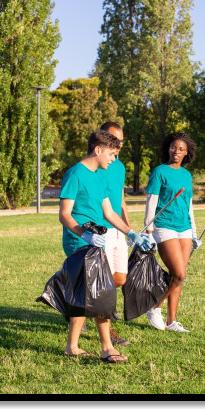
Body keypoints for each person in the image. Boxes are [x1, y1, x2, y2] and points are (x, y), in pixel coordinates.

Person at [59, 130, 152, 363]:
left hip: (97, 238)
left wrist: (131, 232)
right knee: (102, 290)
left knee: (86, 292)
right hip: (80, 241)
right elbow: (64, 215)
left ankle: (72, 346)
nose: (114, 158)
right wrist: (85, 236)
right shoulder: (75, 174)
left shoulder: (100, 175)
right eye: (111, 153)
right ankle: (107, 347)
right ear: (97, 150)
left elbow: (109, 212)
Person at [144, 133, 201, 333]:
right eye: (173, 147)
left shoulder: (186, 175)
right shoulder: (159, 172)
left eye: (180, 149)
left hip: (183, 227)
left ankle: (171, 321)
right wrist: (149, 232)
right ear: (168, 149)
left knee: (178, 276)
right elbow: (151, 202)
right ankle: (155, 307)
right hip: (163, 226)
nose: (176, 151)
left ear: (187, 153)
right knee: (179, 272)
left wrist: (194, 232)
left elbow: (189, 205)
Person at [94, 121, 132, 347]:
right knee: (104, 284)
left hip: (118, 228)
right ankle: (108, 331)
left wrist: (128, 227)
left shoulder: (119, 166)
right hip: (100, 228)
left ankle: (77, 302)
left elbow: (121, 198)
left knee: (120, 278)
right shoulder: (95, 164)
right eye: (113, 139)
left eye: (120, 141)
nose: (117, 145)